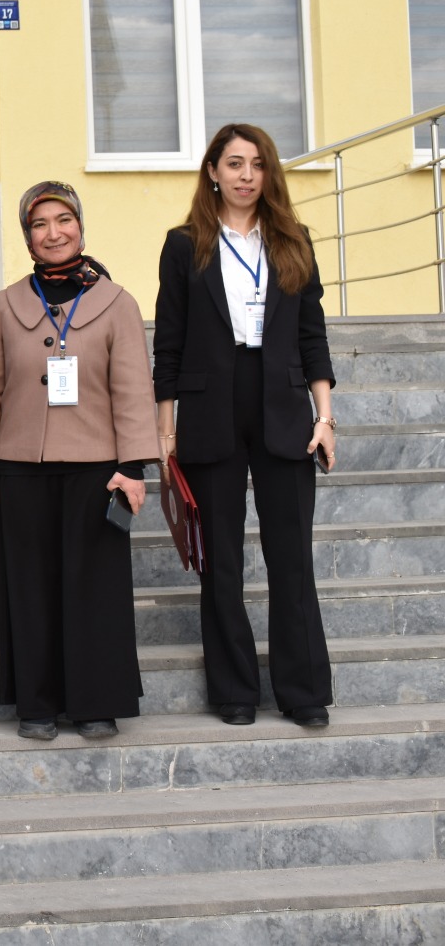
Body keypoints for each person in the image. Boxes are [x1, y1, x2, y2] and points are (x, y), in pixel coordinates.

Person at [153, 123, 337, 729]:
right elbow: (169, 344)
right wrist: (166, 431)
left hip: (283, 403)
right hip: (211, 405)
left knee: (292, 556)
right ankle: (233, 689)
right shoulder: (185, 245)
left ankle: (303, 691)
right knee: (222, 560)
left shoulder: (293, 240)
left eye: (257, 164)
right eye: (234, 163)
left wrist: (325, 417)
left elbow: (312, 335)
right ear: (213, 171)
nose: (246, 175)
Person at [0, 182, 158, 740]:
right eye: (39, 224)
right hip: (19, 466)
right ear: (27, 236)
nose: (53, 233)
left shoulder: (117, 303)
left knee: (94, 589)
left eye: (63, 220)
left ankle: (95, 703)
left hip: (99, 468)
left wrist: (134, 467)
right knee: (29, 588)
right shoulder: (5, 305)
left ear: (80, 225)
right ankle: (38, 703)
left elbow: (133, 390)